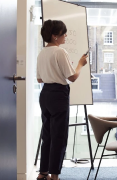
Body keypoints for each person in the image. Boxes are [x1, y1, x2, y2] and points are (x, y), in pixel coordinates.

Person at [36, 19, 88, 180]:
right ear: (55, 36)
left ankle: (43, 172)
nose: (65, 35)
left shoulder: (42, 52)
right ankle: (54, 175)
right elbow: (72, 76)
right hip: (58, 94)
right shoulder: (60, 52)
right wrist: (80, 64)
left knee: (48, 135)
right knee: (59, 135)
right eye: (63, 33)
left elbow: (39, 79)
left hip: (45, 94)